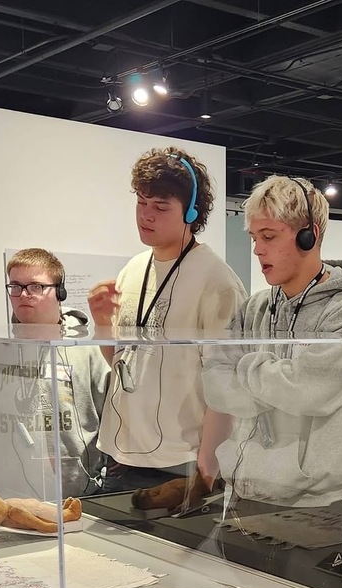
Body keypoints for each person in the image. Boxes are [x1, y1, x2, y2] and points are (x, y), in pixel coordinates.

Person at [201, 173, 342, 588]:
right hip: (244, 499)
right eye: (253, 236)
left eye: (269, 235)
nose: (258, 249)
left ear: (307, 236)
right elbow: (216, 387)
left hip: (313, 511)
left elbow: (307, 391)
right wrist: (272, 379)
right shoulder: (256, 306)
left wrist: (250, 370)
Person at [88, 147, 246, 502]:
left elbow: (225, 388)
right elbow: (122, 363)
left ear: (191, 212)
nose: (146, 215)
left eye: (160, 207)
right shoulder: (133, 269)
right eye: (141, 203)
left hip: (178, 463)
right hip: (118, 454)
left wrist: (207, 471)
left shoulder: (217, 281)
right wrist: (101, 326)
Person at [0, 247, 108, 501]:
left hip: (78, 496)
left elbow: (111, 418)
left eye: (36, 287)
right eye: (15, 286)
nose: (23, 295)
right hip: (5, 498)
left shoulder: (88, 351)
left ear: (60, 292)